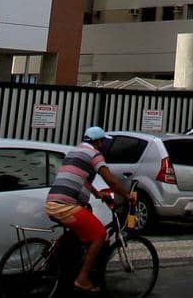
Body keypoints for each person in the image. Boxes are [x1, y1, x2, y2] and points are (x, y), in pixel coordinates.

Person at [45, 126, 137, 294]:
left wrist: (97, 194)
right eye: (103, 142)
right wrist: (127, 195)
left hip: (52, 202)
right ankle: (82, 279)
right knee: (100, 234)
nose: (103, 145)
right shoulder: (95, 155)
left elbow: (81, 179)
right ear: (98, 142)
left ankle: (53, 258)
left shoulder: (74, 152)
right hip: (66, 206)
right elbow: (111, 181)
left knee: (78, 231)